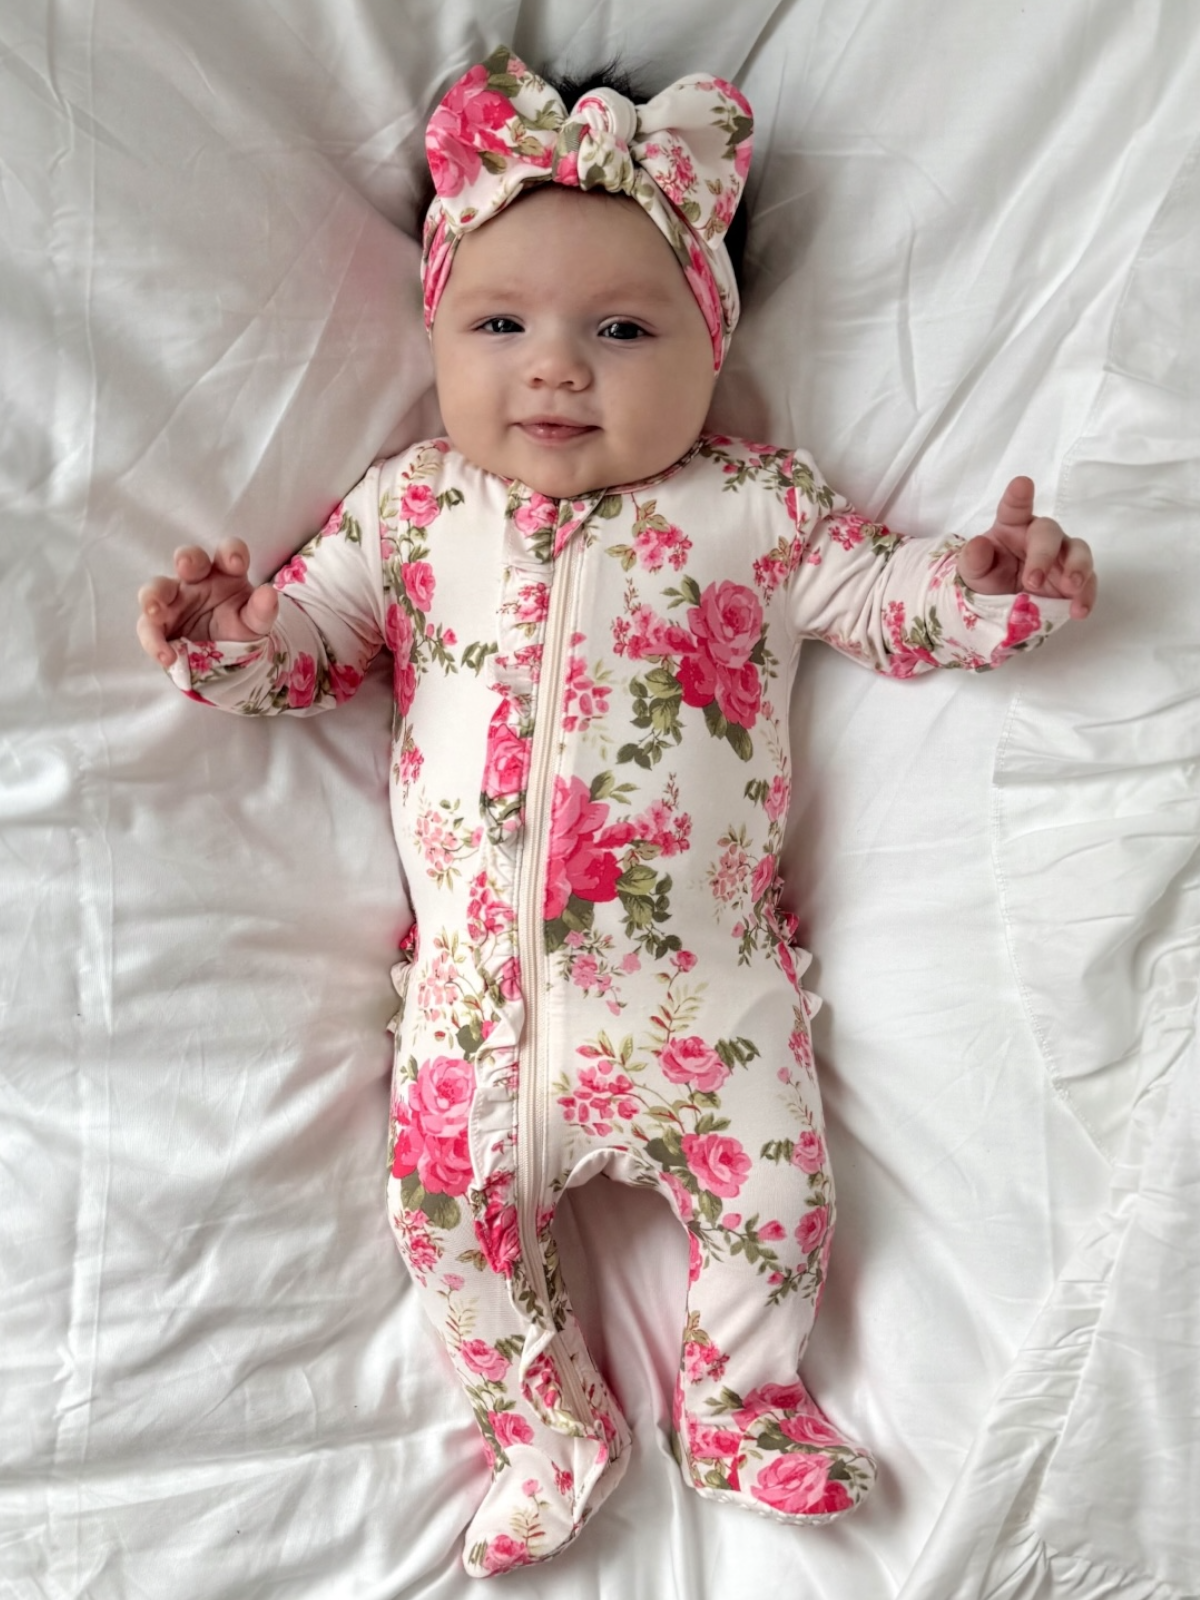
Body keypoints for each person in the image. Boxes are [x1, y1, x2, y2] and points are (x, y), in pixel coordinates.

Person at [135, 46, 1097, 1579]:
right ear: (437, 330)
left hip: (709, 1000)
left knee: (781, 1204)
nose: (556, 366)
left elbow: (887, 597)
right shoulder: (412, 509)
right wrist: (227, 636)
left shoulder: (759, 508)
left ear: (712, 346)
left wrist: (985, 589)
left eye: (624, 327)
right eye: (499, 323)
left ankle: (737, 1399)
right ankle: (551, 1423)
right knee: (447, 1228)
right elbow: (310, 644)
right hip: (478, 1026)